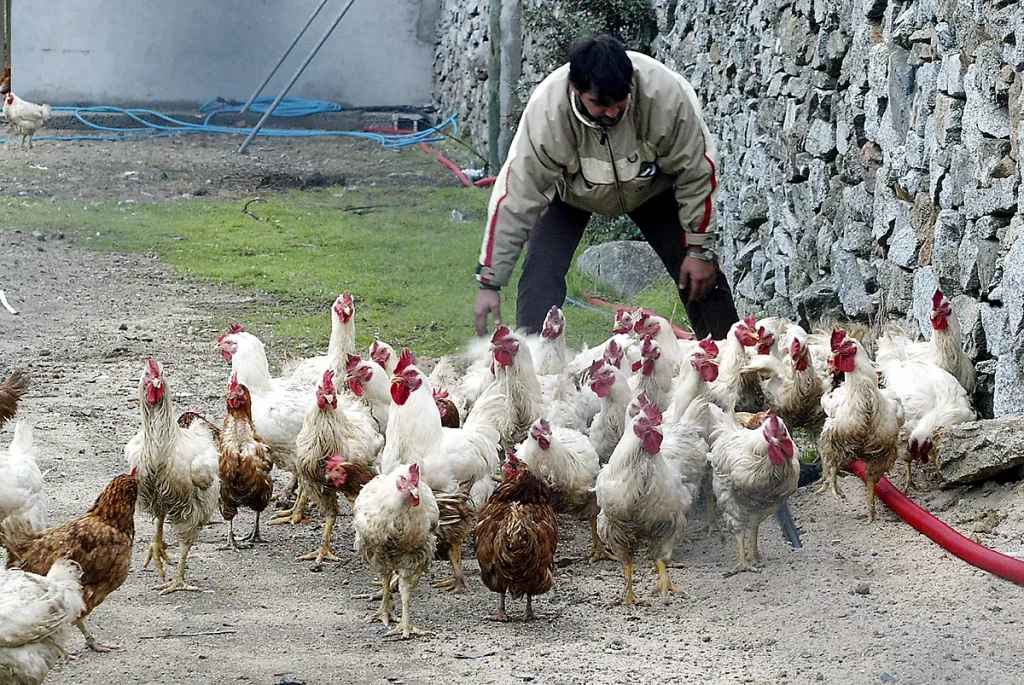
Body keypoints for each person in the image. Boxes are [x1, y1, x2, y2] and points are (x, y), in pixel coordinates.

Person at [473, 34, 739, 340]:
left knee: (701, 277)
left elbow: (697, 172)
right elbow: (515, 197)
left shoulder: (664, 95)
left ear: (632, 82)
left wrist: (700, 250)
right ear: (576, 89)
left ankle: (733, 369)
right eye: (600, 103)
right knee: (539, 278)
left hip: (653, 187)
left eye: (620, 100)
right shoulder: (546, 114)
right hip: (571, 194)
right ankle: (533, 374)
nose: (612, 112)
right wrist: (489, 283)